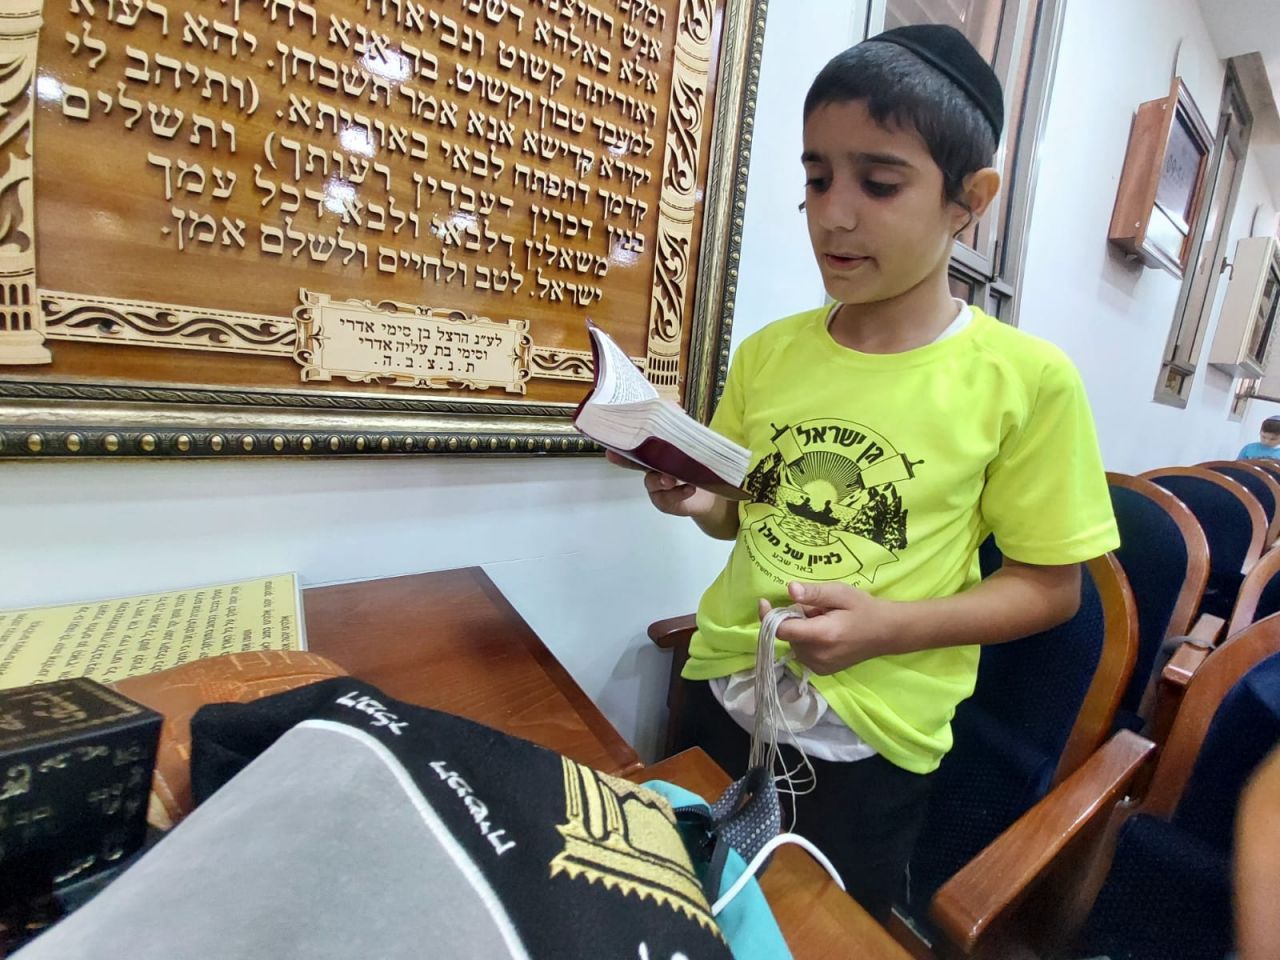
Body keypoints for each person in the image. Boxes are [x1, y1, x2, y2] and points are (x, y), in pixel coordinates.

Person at [609, 23, 1119, 921]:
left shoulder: (1024, 380)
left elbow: (1052, 590)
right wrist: (693, 497)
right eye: (817, 179)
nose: (833, 214)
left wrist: (889, 628)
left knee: (819, 928)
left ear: (969, 200)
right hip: (725, 682)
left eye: (879, 184)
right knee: (673, 903)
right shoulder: (770, 353)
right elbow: (740, 515)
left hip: (866, 737)